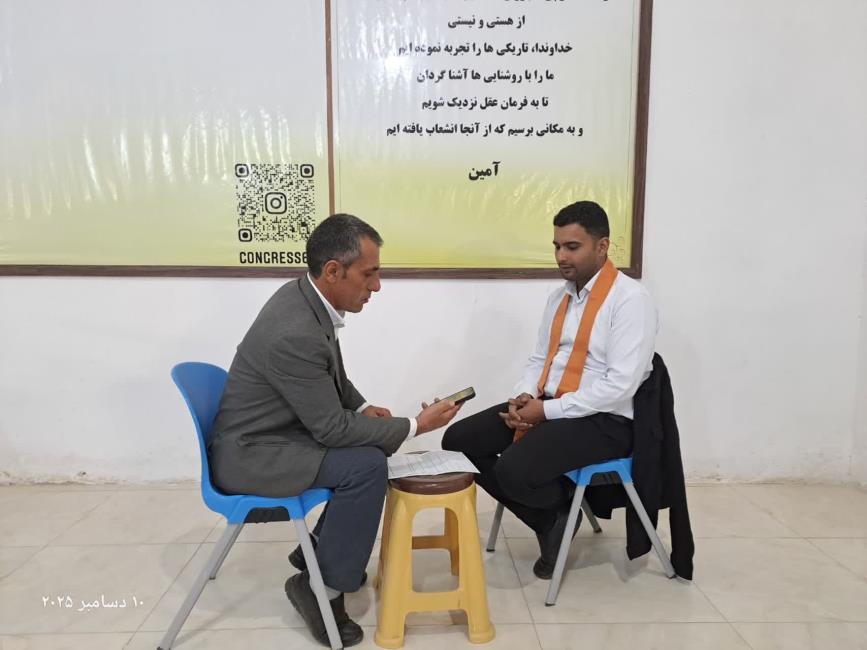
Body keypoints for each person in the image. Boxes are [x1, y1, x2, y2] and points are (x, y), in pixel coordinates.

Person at [208, 214, 461, 647]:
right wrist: (418, 425)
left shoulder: (304, 299)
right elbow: (330, 429)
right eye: (369, 274)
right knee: (365, 466)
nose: (377, 286)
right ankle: (319, 589)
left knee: (367, 450)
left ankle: (320, 552)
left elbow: (330, 376)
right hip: (251, 455)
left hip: (270, 435)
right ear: (333, 271)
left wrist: (361, 407)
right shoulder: (295, 331)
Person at [442, 200, 657, 579]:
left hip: (606, 420)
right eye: (557, 246)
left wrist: (545, 411)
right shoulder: (559, 297)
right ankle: (553, 515)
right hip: (551, 404)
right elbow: (540, 358)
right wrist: (524, 395)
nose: (561, 256)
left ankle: (557, 513)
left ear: (602, 246)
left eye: (572, 246)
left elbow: (620, 386)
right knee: (458, 442)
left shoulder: (630, 300)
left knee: (511, 470)